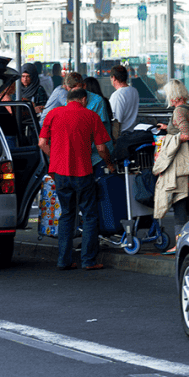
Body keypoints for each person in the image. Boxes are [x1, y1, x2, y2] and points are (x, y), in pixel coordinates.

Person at [38, 88, 114, 271]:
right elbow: (101, 147)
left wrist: (55, 159)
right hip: (83, 171)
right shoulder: (91, 116)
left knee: (66, 214)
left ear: (68, 99)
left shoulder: (53, 114)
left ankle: (64, 260)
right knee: (89, 215)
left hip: (60, 173)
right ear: (84, 99)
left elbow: (42, 143)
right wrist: (110, 164)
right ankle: (88, 260)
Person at [154, 79, 189, 254]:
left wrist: (168, 138)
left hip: (180, 163)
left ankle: (179, 244)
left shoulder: (179, 111)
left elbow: (186, 134)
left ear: (173, 95)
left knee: (179, 202)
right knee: (186, 204)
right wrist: (169, 128)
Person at [109, 64, 140, 137]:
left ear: (113, 78)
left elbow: (116, 121)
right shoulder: (134, 91)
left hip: (121, 135)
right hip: (131, 133)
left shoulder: (117, 95)